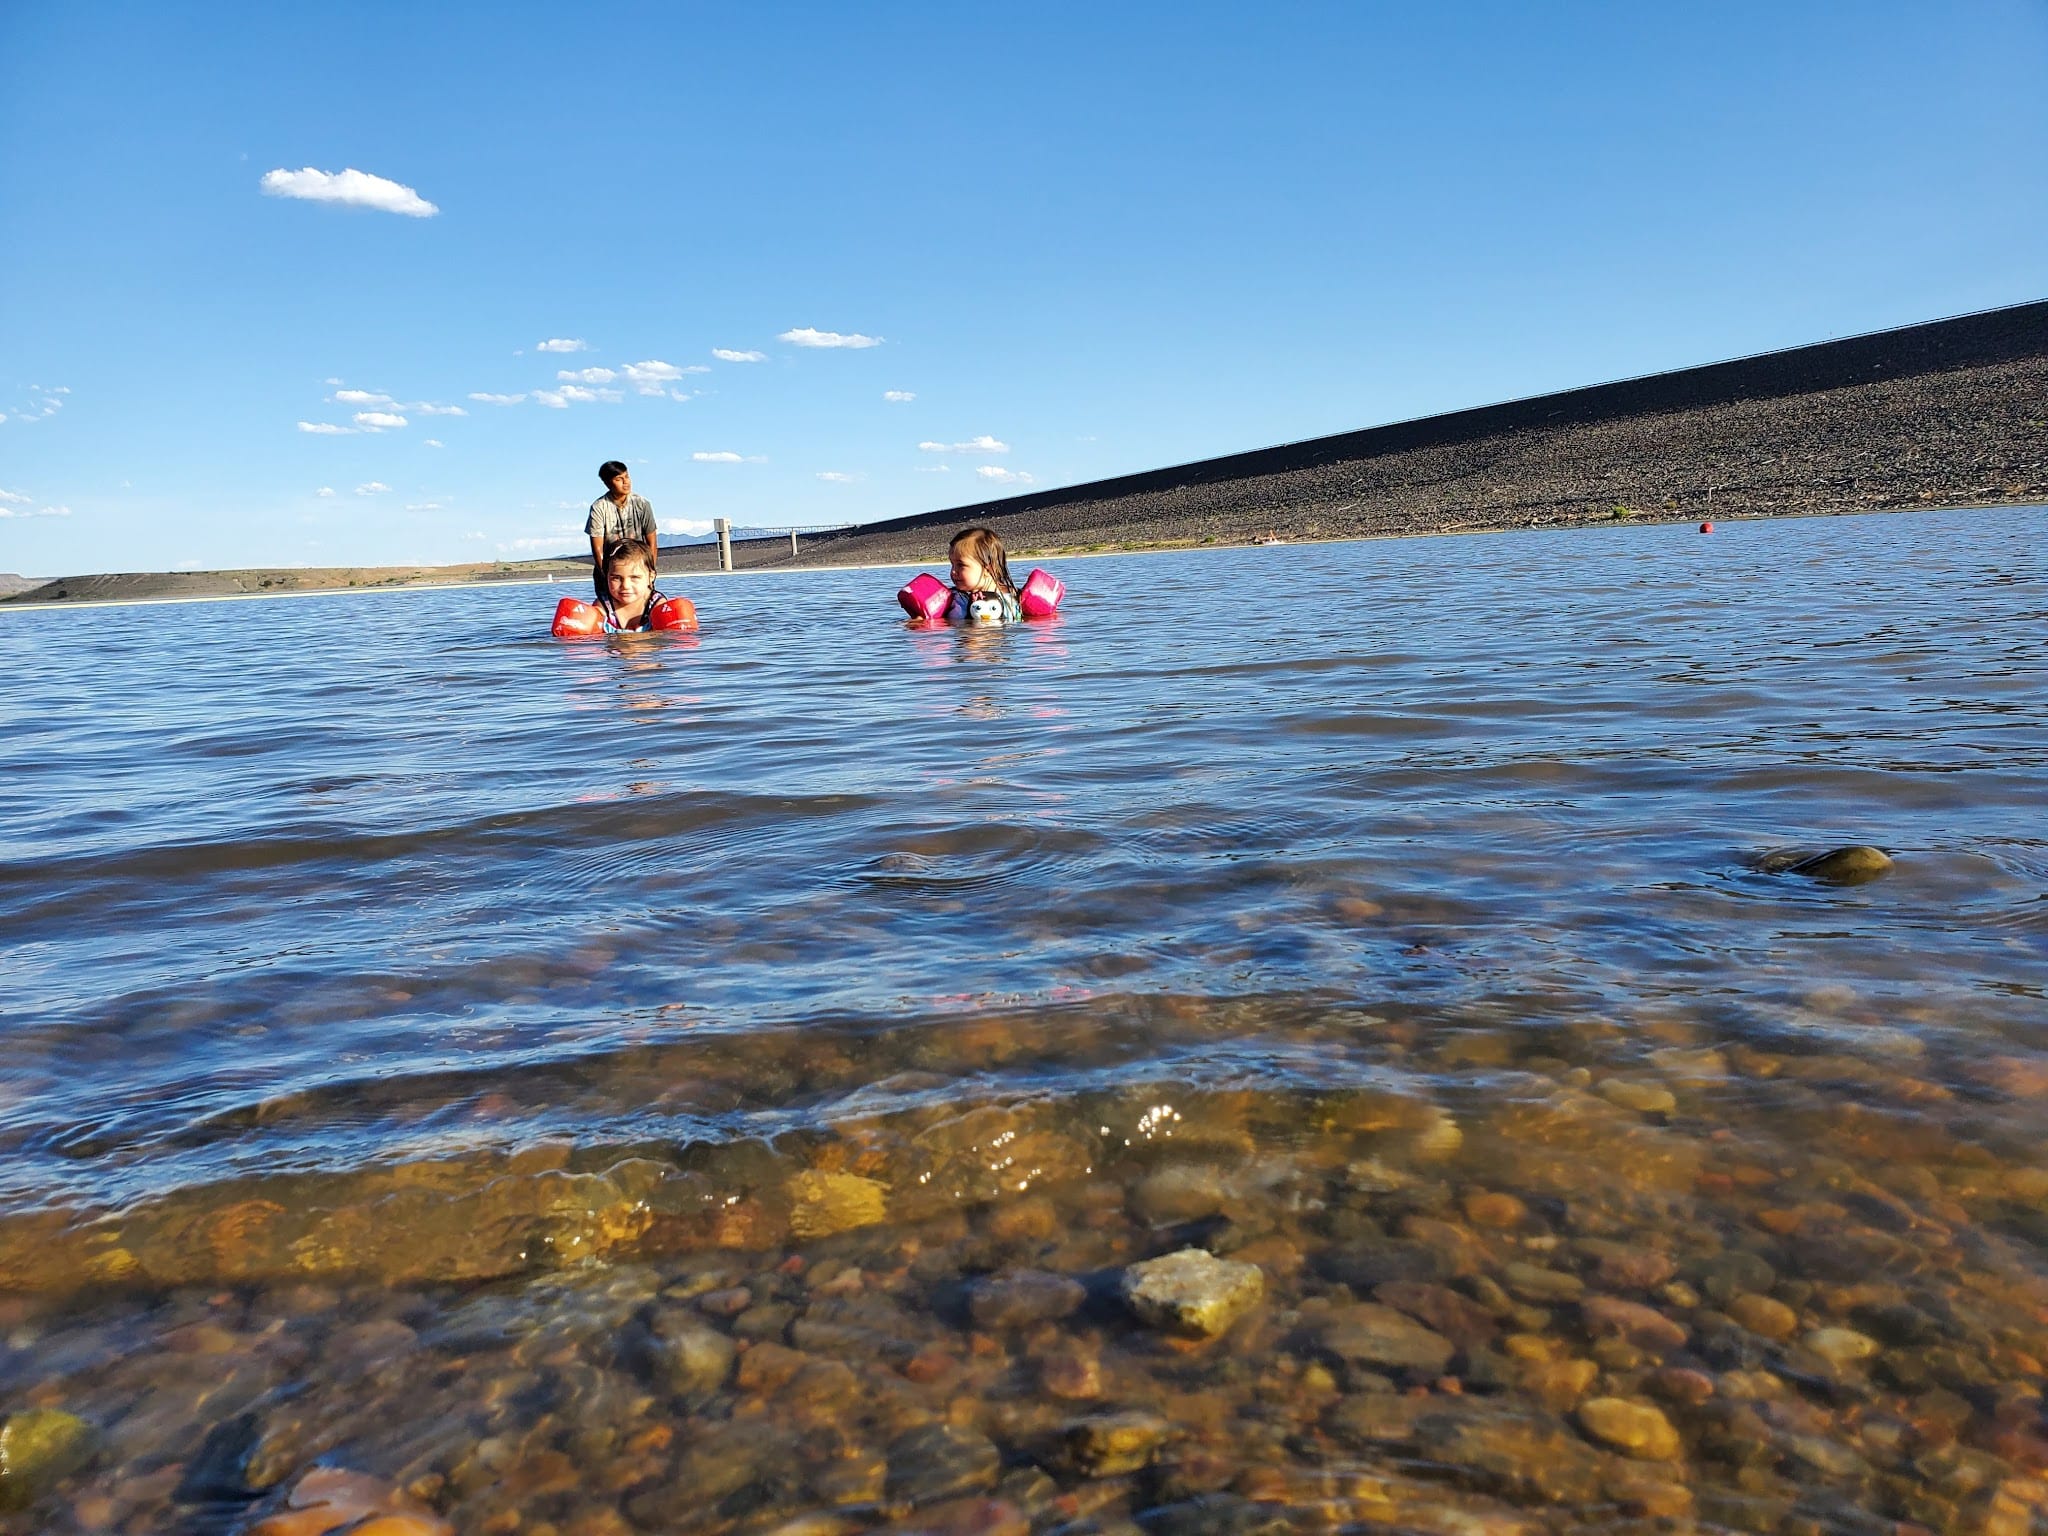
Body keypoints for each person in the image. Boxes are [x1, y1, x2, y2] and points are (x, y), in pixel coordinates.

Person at [586, 460, 657, 598]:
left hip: (638, 571)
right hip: (610, 572)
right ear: (607, 483)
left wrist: (649, 573)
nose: (626, 482)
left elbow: (652, 543)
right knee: (610, 613)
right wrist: (608, 575)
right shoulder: (599, 507)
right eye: (619, 479)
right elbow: (597, 549)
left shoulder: (642, 504)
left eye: (627, 477)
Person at [945, 526, 1022, 623]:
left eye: (961, 565)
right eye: (952, 564)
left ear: (988, 568)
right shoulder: (953, 598)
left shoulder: (1015, 598)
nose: (953, 571)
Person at [596, 539, 670, 632]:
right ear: (606, 576)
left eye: (634, 577)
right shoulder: (603, 606)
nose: (625, 586)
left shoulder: (657, 605)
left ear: (651, 577)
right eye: (616, 578)